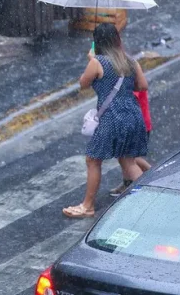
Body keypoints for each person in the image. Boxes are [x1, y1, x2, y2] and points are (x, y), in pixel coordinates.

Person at [63, 23, 149, 218]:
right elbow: (142, 86)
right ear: (117, 40)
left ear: (97, 41)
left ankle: (88, 206)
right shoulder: (131, 61)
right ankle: (148, 199)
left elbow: (83, 84)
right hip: (133, 114)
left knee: (93, 160)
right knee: (128, 161)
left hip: (112, 117)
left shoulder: (97, 62)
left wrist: (92, 59)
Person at [109, 90, 153, 196]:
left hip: (132, 127)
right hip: (137, 124)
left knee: (127, 160)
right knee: (125, 157)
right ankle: (130, 182)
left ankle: (144, 191)